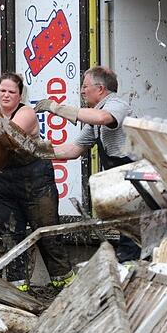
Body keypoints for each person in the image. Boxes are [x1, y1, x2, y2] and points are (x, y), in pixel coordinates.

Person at [36, 66, 139, 262]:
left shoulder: (117, 104)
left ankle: (133, 268)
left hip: (135, 176)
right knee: (126, 226)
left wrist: (56, 108)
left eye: (85, 86)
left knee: (134, 228)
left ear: (100, 89)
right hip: (119, 177)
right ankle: (127, 265)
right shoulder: (94, 119)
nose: (82, 91)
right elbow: (72, 151)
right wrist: (36, 151)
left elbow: (103, 118)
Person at [0, 73, 74, 290]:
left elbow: (5, 137)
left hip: (35, 180)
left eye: (11, 92)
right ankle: (19, 287)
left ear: (19, 96)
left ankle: (64, 282)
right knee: (10, 235)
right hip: (2, 181)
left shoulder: (26, 113)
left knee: (46, 233)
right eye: (3, 91)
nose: (6, 95)